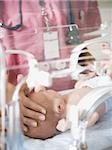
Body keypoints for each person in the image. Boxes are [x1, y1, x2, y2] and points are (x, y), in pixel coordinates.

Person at [19, 83, 108, 139]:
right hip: (105, 96)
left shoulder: (63, 101)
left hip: (95, 86)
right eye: (46, 93)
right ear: (59, 107)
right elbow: (94, 116)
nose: (46, 90)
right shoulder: (71, 111)